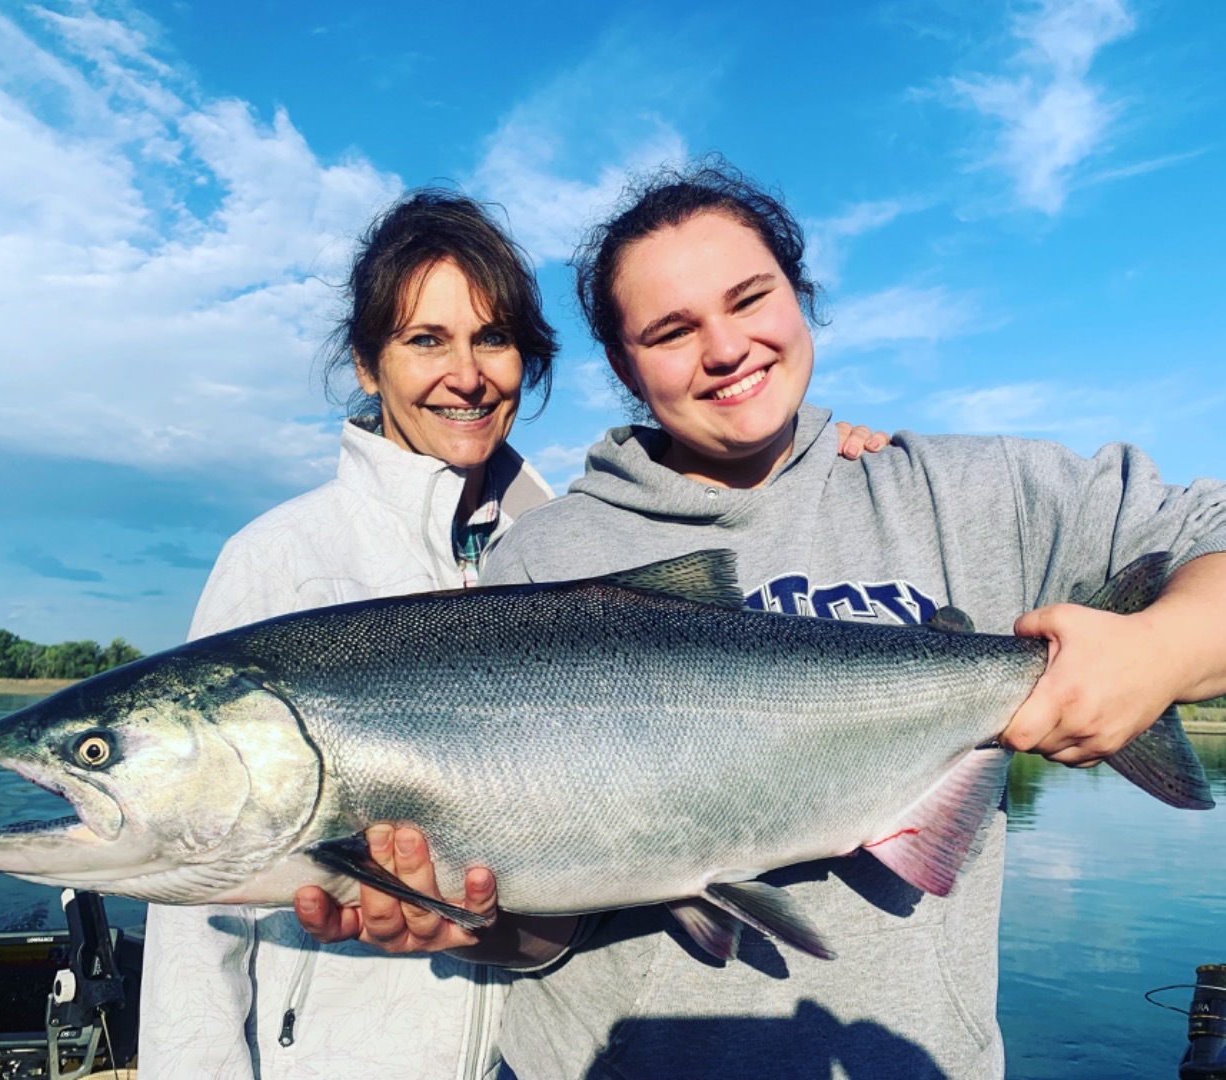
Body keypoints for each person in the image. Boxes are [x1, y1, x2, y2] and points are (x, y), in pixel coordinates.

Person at [307, 160, 1226, 1080]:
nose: (725, 347)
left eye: (750, 298)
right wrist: (461, 921)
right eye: (671, 330)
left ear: (802, 296)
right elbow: (544, 935)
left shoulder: (973, 494)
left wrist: (1158, 648)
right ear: (624, 364)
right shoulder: (543, 561)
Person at [137, 179, 893, 1078]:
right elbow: (190, 900)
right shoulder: (278, 562)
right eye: (426, 341)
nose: (467, 374)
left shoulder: (573, 543)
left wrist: (826, 466)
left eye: (492, 339)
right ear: (368, 361)